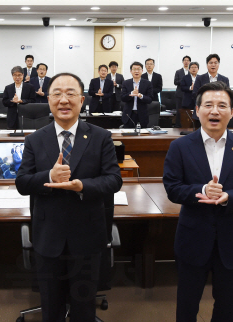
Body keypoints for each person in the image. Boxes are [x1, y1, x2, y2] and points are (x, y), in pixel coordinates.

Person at [16, 72, 122, 322]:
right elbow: (22, 183)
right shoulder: (34, 139)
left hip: (87, 235)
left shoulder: (101, 137)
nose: (64, 100)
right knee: (51, 307)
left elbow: (113, 180)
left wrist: (81, 186)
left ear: (82, 100)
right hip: (48, 235)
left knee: (84, 307)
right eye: (57, 94)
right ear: (49, 100)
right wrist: (49, 176)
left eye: (70, 93)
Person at [163, 81, 233, 322]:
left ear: (232, 112)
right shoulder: (179, 147)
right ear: (197, 110)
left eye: (222, 105)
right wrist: (201, 190)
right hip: (192, 238)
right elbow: (172, 188)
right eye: (208, 105)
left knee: (226, 308)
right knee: (187, 306)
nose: (215, 111)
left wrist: (228, 197)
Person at [121, 62, 153, 128]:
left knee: (142, 136)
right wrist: (132, 93)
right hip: (129, 115)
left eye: (138, 69)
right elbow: (122, 98)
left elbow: (150, 99)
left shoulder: (147, 83)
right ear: (131, 71)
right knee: (128, 136)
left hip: (142, 115)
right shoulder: (126, 83)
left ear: (142, 71)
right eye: (134, 69)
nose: (136, 71)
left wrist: (140, 96)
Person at [178, 62, 199, 128]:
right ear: (189, 69)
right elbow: (182, 87)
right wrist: (190, 88)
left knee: (197, 120)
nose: (194, 69)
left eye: (195, 67)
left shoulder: (200, 78)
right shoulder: (185, 77)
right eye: (192, 67)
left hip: (197, 101)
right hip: (187, 101)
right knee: (187, 120)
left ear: (198, 69)